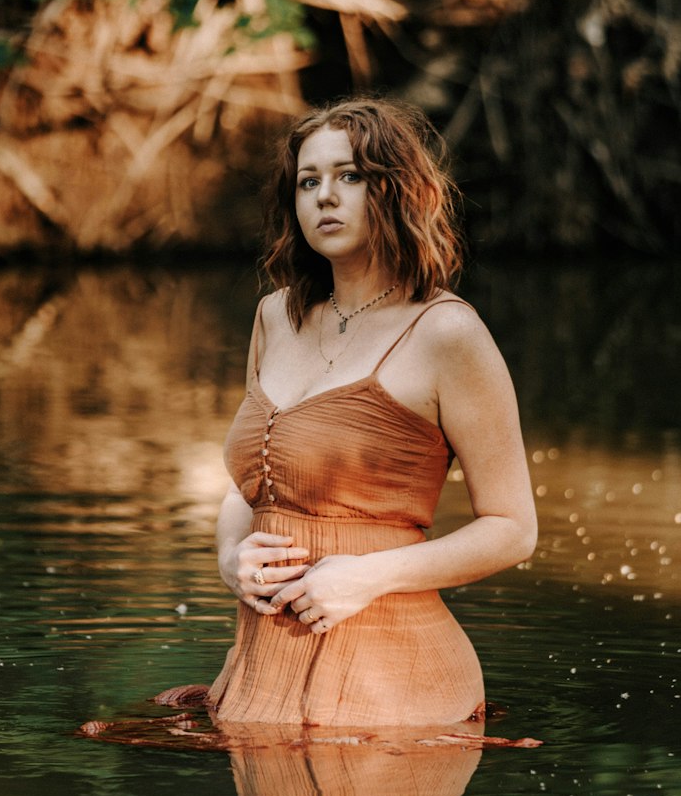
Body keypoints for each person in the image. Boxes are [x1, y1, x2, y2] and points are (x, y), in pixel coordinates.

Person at [207, 96, 537, 728]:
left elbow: (513, 529)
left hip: (391, 681)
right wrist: (230, 558)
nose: (324, 196)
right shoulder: (276, 316)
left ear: (396, 190)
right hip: (261, 673)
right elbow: (251, 480)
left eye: (349, 176)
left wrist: (366, 577)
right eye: (309, 181)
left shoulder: (447, 333)